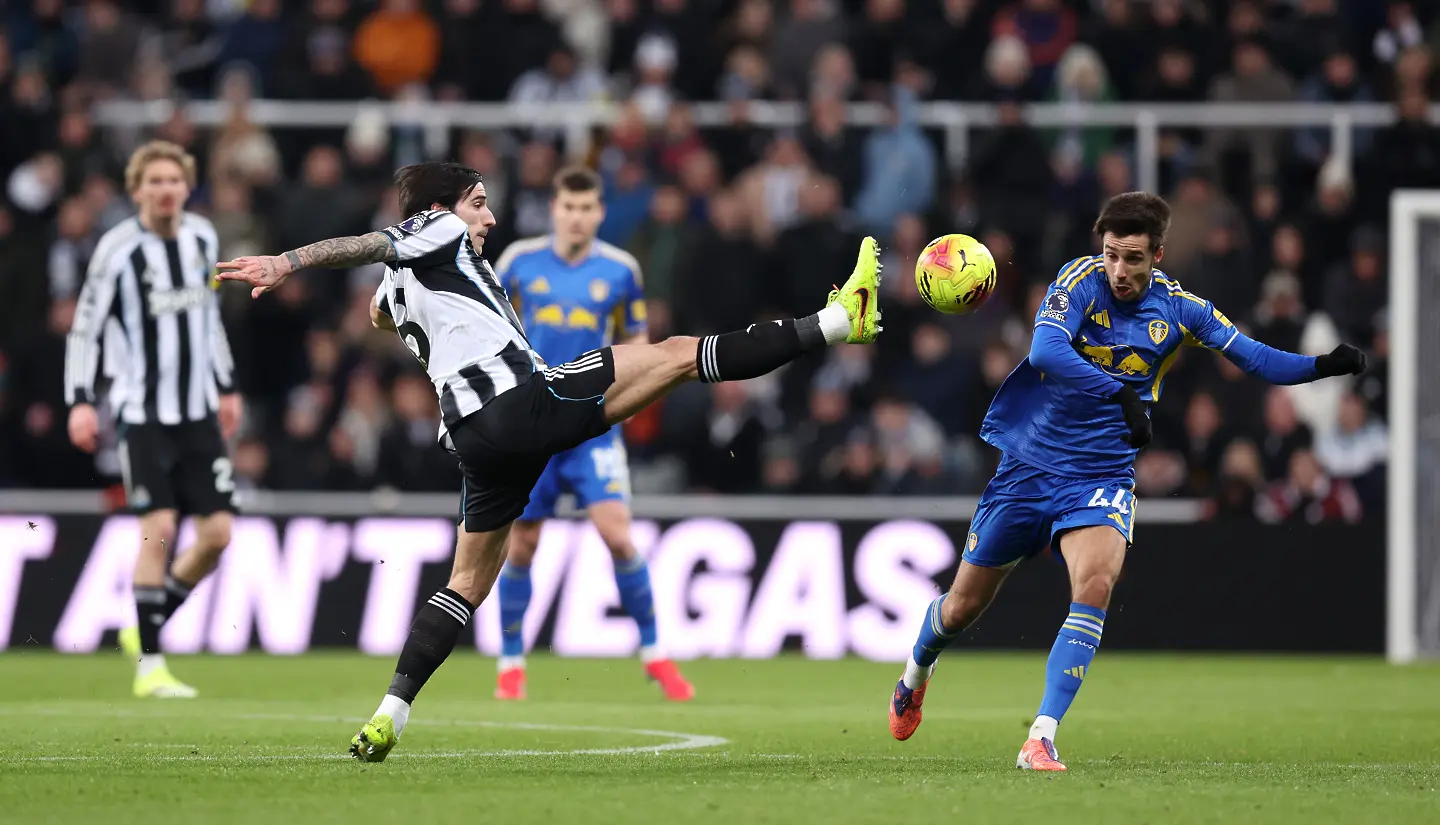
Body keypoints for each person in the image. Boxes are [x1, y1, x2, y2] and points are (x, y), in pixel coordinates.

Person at [216, 161, 882, 761]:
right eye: (479, 203)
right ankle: (835, 322)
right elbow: (368, 244)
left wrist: (403, 303)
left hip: (474, 440)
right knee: (679, 353)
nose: (490, 217)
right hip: (522, 400)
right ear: (446, 207)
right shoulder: (434, 228)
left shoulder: (405, 280)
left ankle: (390, 711)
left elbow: (381, 314)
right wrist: (288, 261)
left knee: (466, 583)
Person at [887, 191, 1366, 771]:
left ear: (1157, 255)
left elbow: (1254, 357)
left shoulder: (1183, 310)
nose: (1118, 270)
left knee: (1094, 585)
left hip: (1102, 472)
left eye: (1133, 258)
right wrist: (1120, 391)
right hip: (1029, 466)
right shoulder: (1079, 280)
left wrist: (1319, 367)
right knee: (961, 608)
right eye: (1112, 254)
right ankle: (916, 673)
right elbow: (1044, 351)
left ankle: (1040, 735)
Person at [491, 166, 694, 702]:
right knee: (523, 544)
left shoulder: (621, 270)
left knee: (618, 535)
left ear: (599, 212)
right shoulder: (517, 262)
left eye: (587, 208)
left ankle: (655, 654)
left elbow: (638, 342)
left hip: (592, 425)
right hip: (534, 423)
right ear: (554, 209)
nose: (577, 217)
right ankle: (511, 663)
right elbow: (495, 329)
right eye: (568, 207)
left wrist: (629, 402)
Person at [64, 140, 242, 698]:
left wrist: (227, 384)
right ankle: (151, 666)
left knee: (216, 535)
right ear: (137, 189)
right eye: (155, 181)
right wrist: (80, 399)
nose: (166, 190)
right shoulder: (116, 250)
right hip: (141, 412)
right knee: (160, 529)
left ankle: (147, 620)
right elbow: (85, 329)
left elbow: (209, 319)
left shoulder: (203, 239)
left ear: (187, 187)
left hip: (197, 412)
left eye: (174, 180)